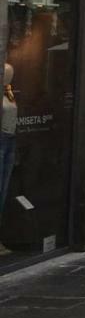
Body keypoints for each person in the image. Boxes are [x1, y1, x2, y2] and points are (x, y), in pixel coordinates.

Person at [1, 64, 16, 219]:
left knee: (5, 187)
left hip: (11, 139)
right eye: (7, 74)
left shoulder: (10, 92)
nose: (9, 76)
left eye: (11, 74)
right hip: (2, 139)